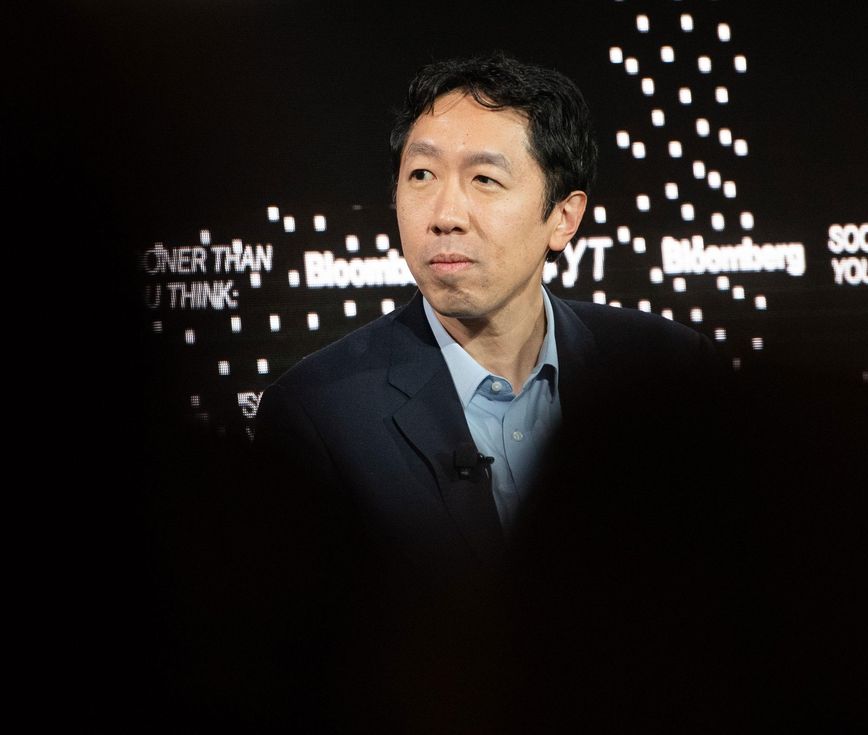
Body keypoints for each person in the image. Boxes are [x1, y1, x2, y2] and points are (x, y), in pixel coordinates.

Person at [246, 51, 727, 731]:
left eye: (484, 179)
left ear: (563, 218)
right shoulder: (318, 415)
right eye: (421, 175)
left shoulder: (668, 374)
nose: (445, 213)